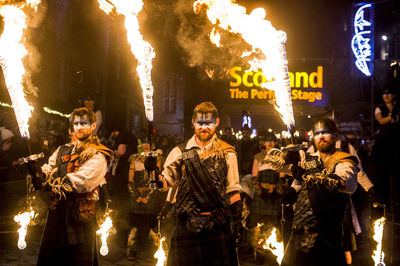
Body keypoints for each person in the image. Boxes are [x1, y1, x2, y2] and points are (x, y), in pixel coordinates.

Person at [159, 102, 242, 266]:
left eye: (209, 123)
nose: (204, 128)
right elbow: (165, 183)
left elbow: (232, 190)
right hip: (186, 226)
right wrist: (154, 175)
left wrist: (238, 223)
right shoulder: (179, 152)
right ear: (193, 122)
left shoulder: (228, 152)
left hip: (217, 226)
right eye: (200, 123)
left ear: (217, 122)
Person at [27, 107, 112, 265]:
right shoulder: (61, 150)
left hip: (79, 218)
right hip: (57, 215)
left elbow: (82, 183)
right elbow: (49, 167)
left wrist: (49, 182)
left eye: (84, 123)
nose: (79, 127)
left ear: (93, 126)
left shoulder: (98, 155)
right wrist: (37, 172)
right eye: (76, 123)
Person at [281, 118, 358, 266]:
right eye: (317, 133)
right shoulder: (310, 159)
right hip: (299, 232)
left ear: (335, 136)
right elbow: (282, 168)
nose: (321, 137)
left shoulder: (344, 161)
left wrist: (316, 176)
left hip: (326, 237)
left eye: (326, 133)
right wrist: (288, 158)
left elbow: (346, 183)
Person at [126, 142, 163, 260]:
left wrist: (148, 196)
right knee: (135, 224)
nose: (146, 146)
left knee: (151, 225)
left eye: (148, 144)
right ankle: (132, 251)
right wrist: (136, 195)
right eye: (144, 144)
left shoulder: (156, 159)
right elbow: (130, 180)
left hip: (151, 196)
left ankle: (152, 254)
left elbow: (155, 179)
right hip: (136, 196)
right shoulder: (134, 160)